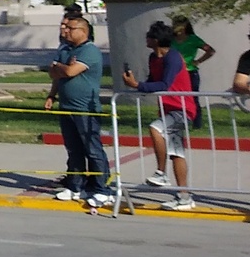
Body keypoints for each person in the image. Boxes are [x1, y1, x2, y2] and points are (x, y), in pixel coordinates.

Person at [123, 20, 197, 212]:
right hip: (167, 109)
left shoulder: (173, 58)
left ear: (155, 40)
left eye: (148, 35)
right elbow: (152, 82)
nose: (146, 38)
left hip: (182, 109)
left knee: (156, 128)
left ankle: (161, 173)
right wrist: (138, 84)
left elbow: (164, 84)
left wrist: (137, 85)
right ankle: (184, 197)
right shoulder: (153, 58)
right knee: (176, 153)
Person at [47, 15, 113, 207]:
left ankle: (102, 189)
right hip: (66, 106)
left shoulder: (90, 51)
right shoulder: (66, 50)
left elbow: (69, 72)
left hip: (85, 108)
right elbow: (54, 73)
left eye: (71, 28)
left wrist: (60, 67)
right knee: (73, 148)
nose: (66, 31)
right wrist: (52, 93)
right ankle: (75, 186)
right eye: (66, 27)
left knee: (92, 149)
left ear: (83, 31)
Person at [169, 15, 216, 125]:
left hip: (190, 71)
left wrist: (198, 61)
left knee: (193, 97)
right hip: (175, 72)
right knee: (174, 97)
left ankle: (196, 122)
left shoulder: (193, 39)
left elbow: (210, 51)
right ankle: (176, 120)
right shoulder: (170, 40)